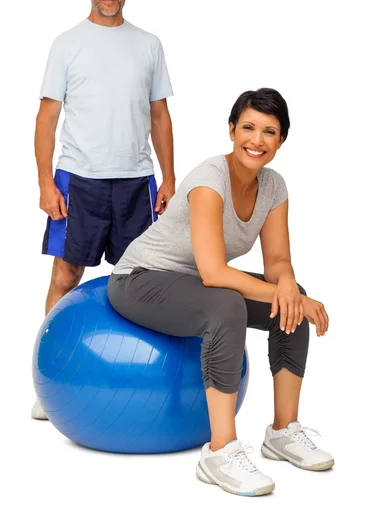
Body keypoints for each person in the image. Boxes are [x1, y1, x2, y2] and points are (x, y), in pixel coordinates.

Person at [108, 88, 334, 497]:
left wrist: (287, 287)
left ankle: (282, 431)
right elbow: (213, 273)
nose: (257, 140)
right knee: (227, 302)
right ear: (231, 130)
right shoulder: (209, 178)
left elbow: (278, 261)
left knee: (290, 295)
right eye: (248, 127)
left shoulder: (273, 187)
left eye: (270, 132)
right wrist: (285, 292)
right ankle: (219, 451)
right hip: (140, 278)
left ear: (281, 142)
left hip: (192, 281)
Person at [32, 0, 175, 420]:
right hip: (79, 178)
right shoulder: (66, 44)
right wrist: (44, 182)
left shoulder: (149, 44)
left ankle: (139, 378)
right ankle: (47, 382)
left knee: (141, 280)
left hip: (136, 180)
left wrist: (169, 176)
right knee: (65, 276)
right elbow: (47, 117)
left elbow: (159, 115)